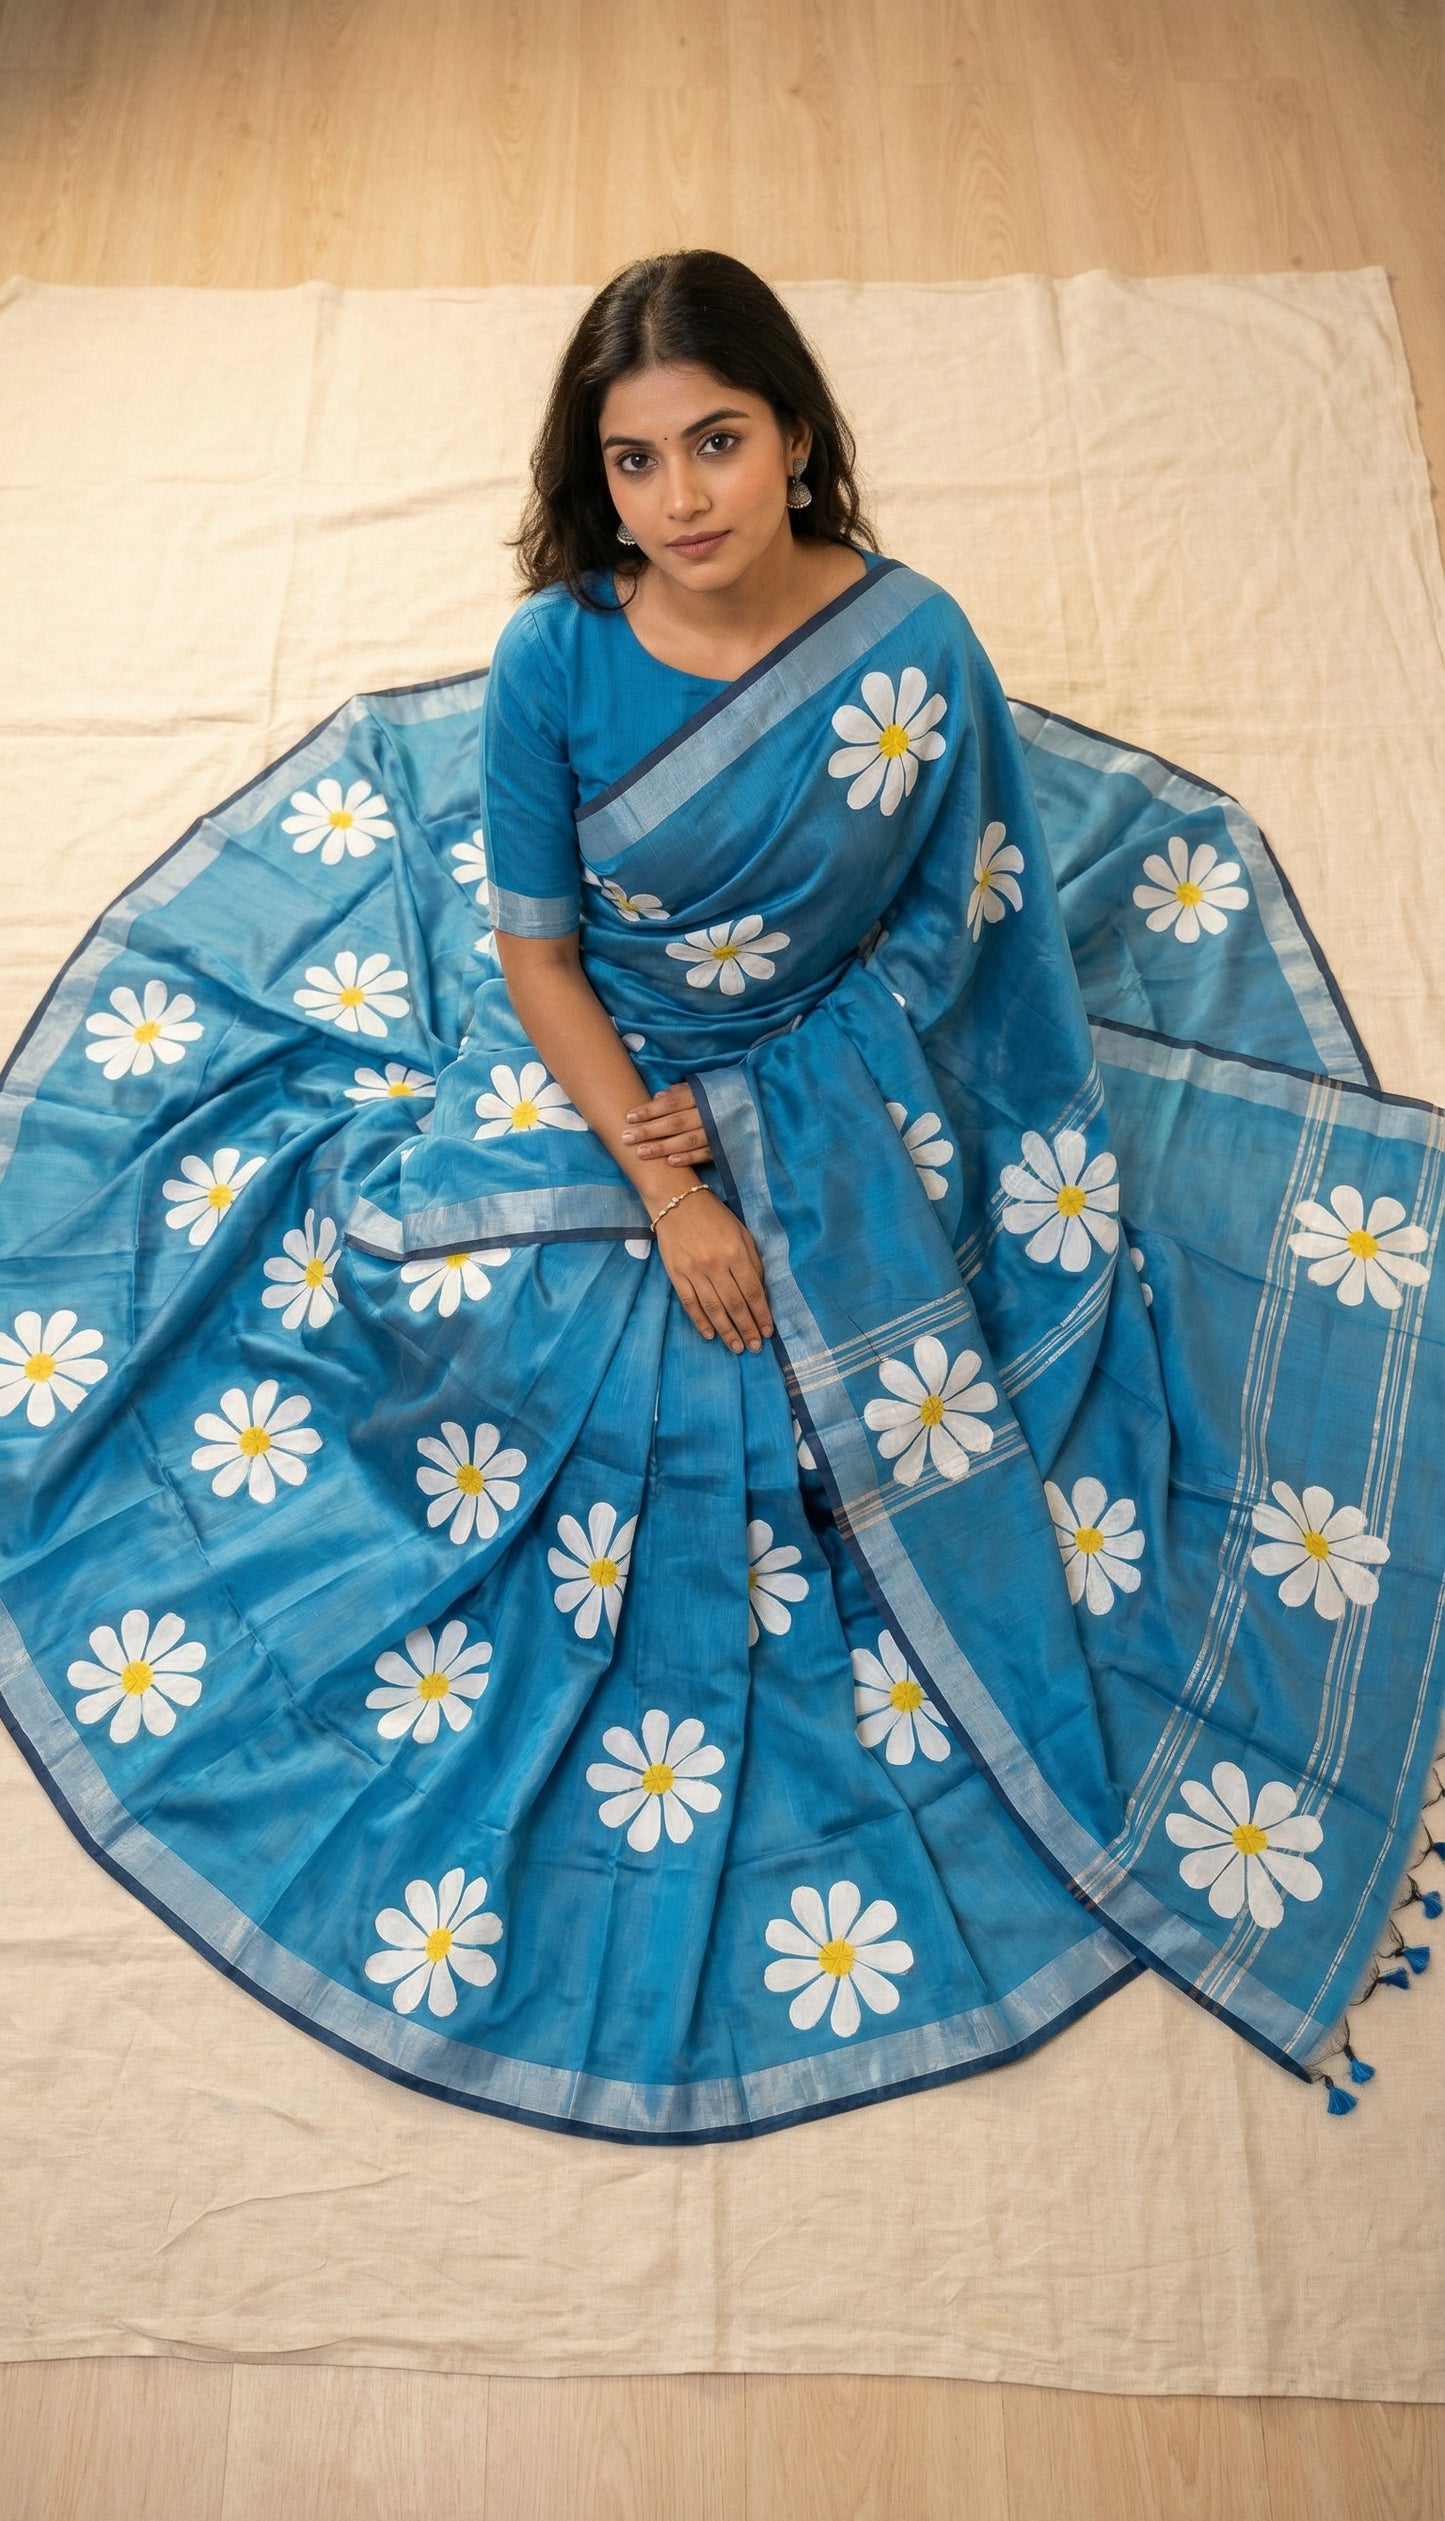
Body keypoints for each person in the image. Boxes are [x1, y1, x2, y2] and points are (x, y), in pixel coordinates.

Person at [2, 249, 1441, 2141]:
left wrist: (791, 1111)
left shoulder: (908, 648)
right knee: (474, 1331)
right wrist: (667, 1179)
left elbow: (953, 923)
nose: (679, 498)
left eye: (717, 442)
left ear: (796, 439)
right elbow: (534, 956)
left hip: (843, 1062)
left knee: (865, 1392)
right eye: (632, 461)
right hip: (598, 1053)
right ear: (590, 478)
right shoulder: (555, 658)